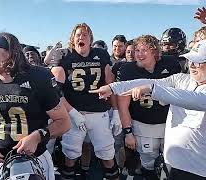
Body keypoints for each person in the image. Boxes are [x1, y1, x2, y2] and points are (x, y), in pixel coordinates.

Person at [89, 39, 206, 180]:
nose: (192, 65)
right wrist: (113, 87)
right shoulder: (183, 79)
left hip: (198, 167)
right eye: (190, 60)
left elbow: (191, 99)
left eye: (198, 62)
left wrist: (151, 90)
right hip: (173, 161)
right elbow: (151, 81)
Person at [0, 32, 70, 180]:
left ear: (10, 52)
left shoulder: (39, 77)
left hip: (35, 160)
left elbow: (64, 122)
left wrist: (38, 136)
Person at [46, 23, 121, 180]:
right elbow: (54, 90)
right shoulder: (65, 56)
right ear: (73, 39)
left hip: (99, 113)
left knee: (107, 154)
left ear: (91, 39)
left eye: (85, 34)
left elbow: (111, 83)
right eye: (78, 35)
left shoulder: (100, 55)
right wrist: (72, 112)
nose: (81, 37)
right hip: (74, 114)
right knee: (70, 154)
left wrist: (116, 111)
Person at [115, 35, 181, 180]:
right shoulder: (128, 70)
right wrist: (128, 133)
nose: (139, 54)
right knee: (149, 164)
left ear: (155, 52)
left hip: (170, 125)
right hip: (143, 126)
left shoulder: (171, 64)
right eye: (137, 50)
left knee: (172, 164)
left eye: (144, 50)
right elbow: (123, 105)